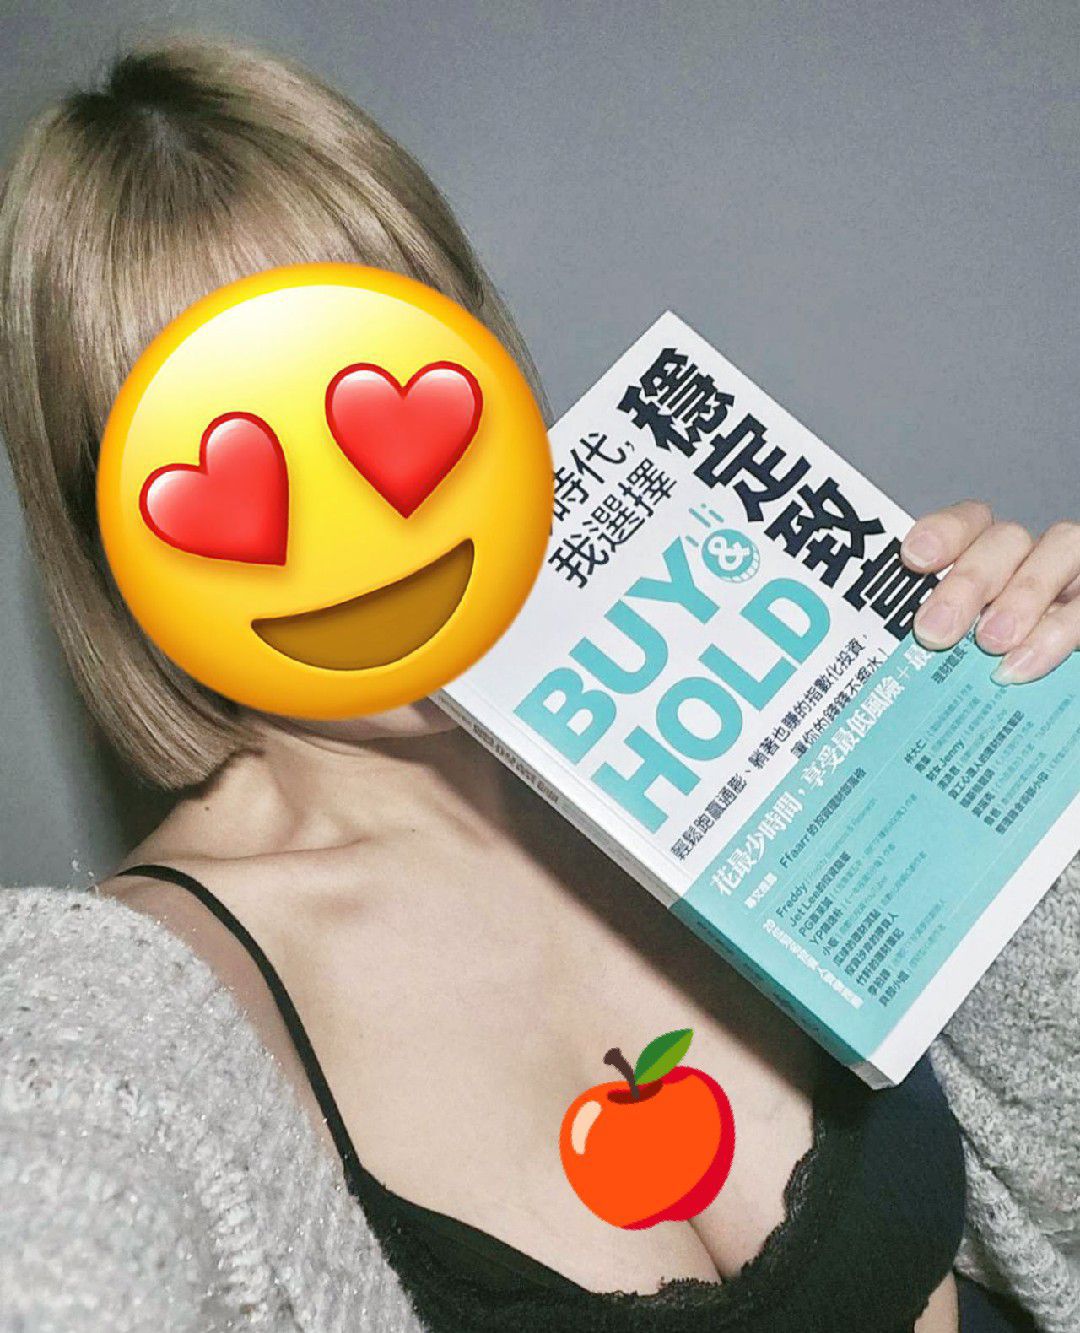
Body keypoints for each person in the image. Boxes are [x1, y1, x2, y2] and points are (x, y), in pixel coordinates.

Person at [0, 33, 1076, 1333]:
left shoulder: (753, 701)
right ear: (113, 557)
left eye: (384, 380)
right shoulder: (142, 1016)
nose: (362, 524)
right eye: (241, 457)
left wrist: (1025, 742)